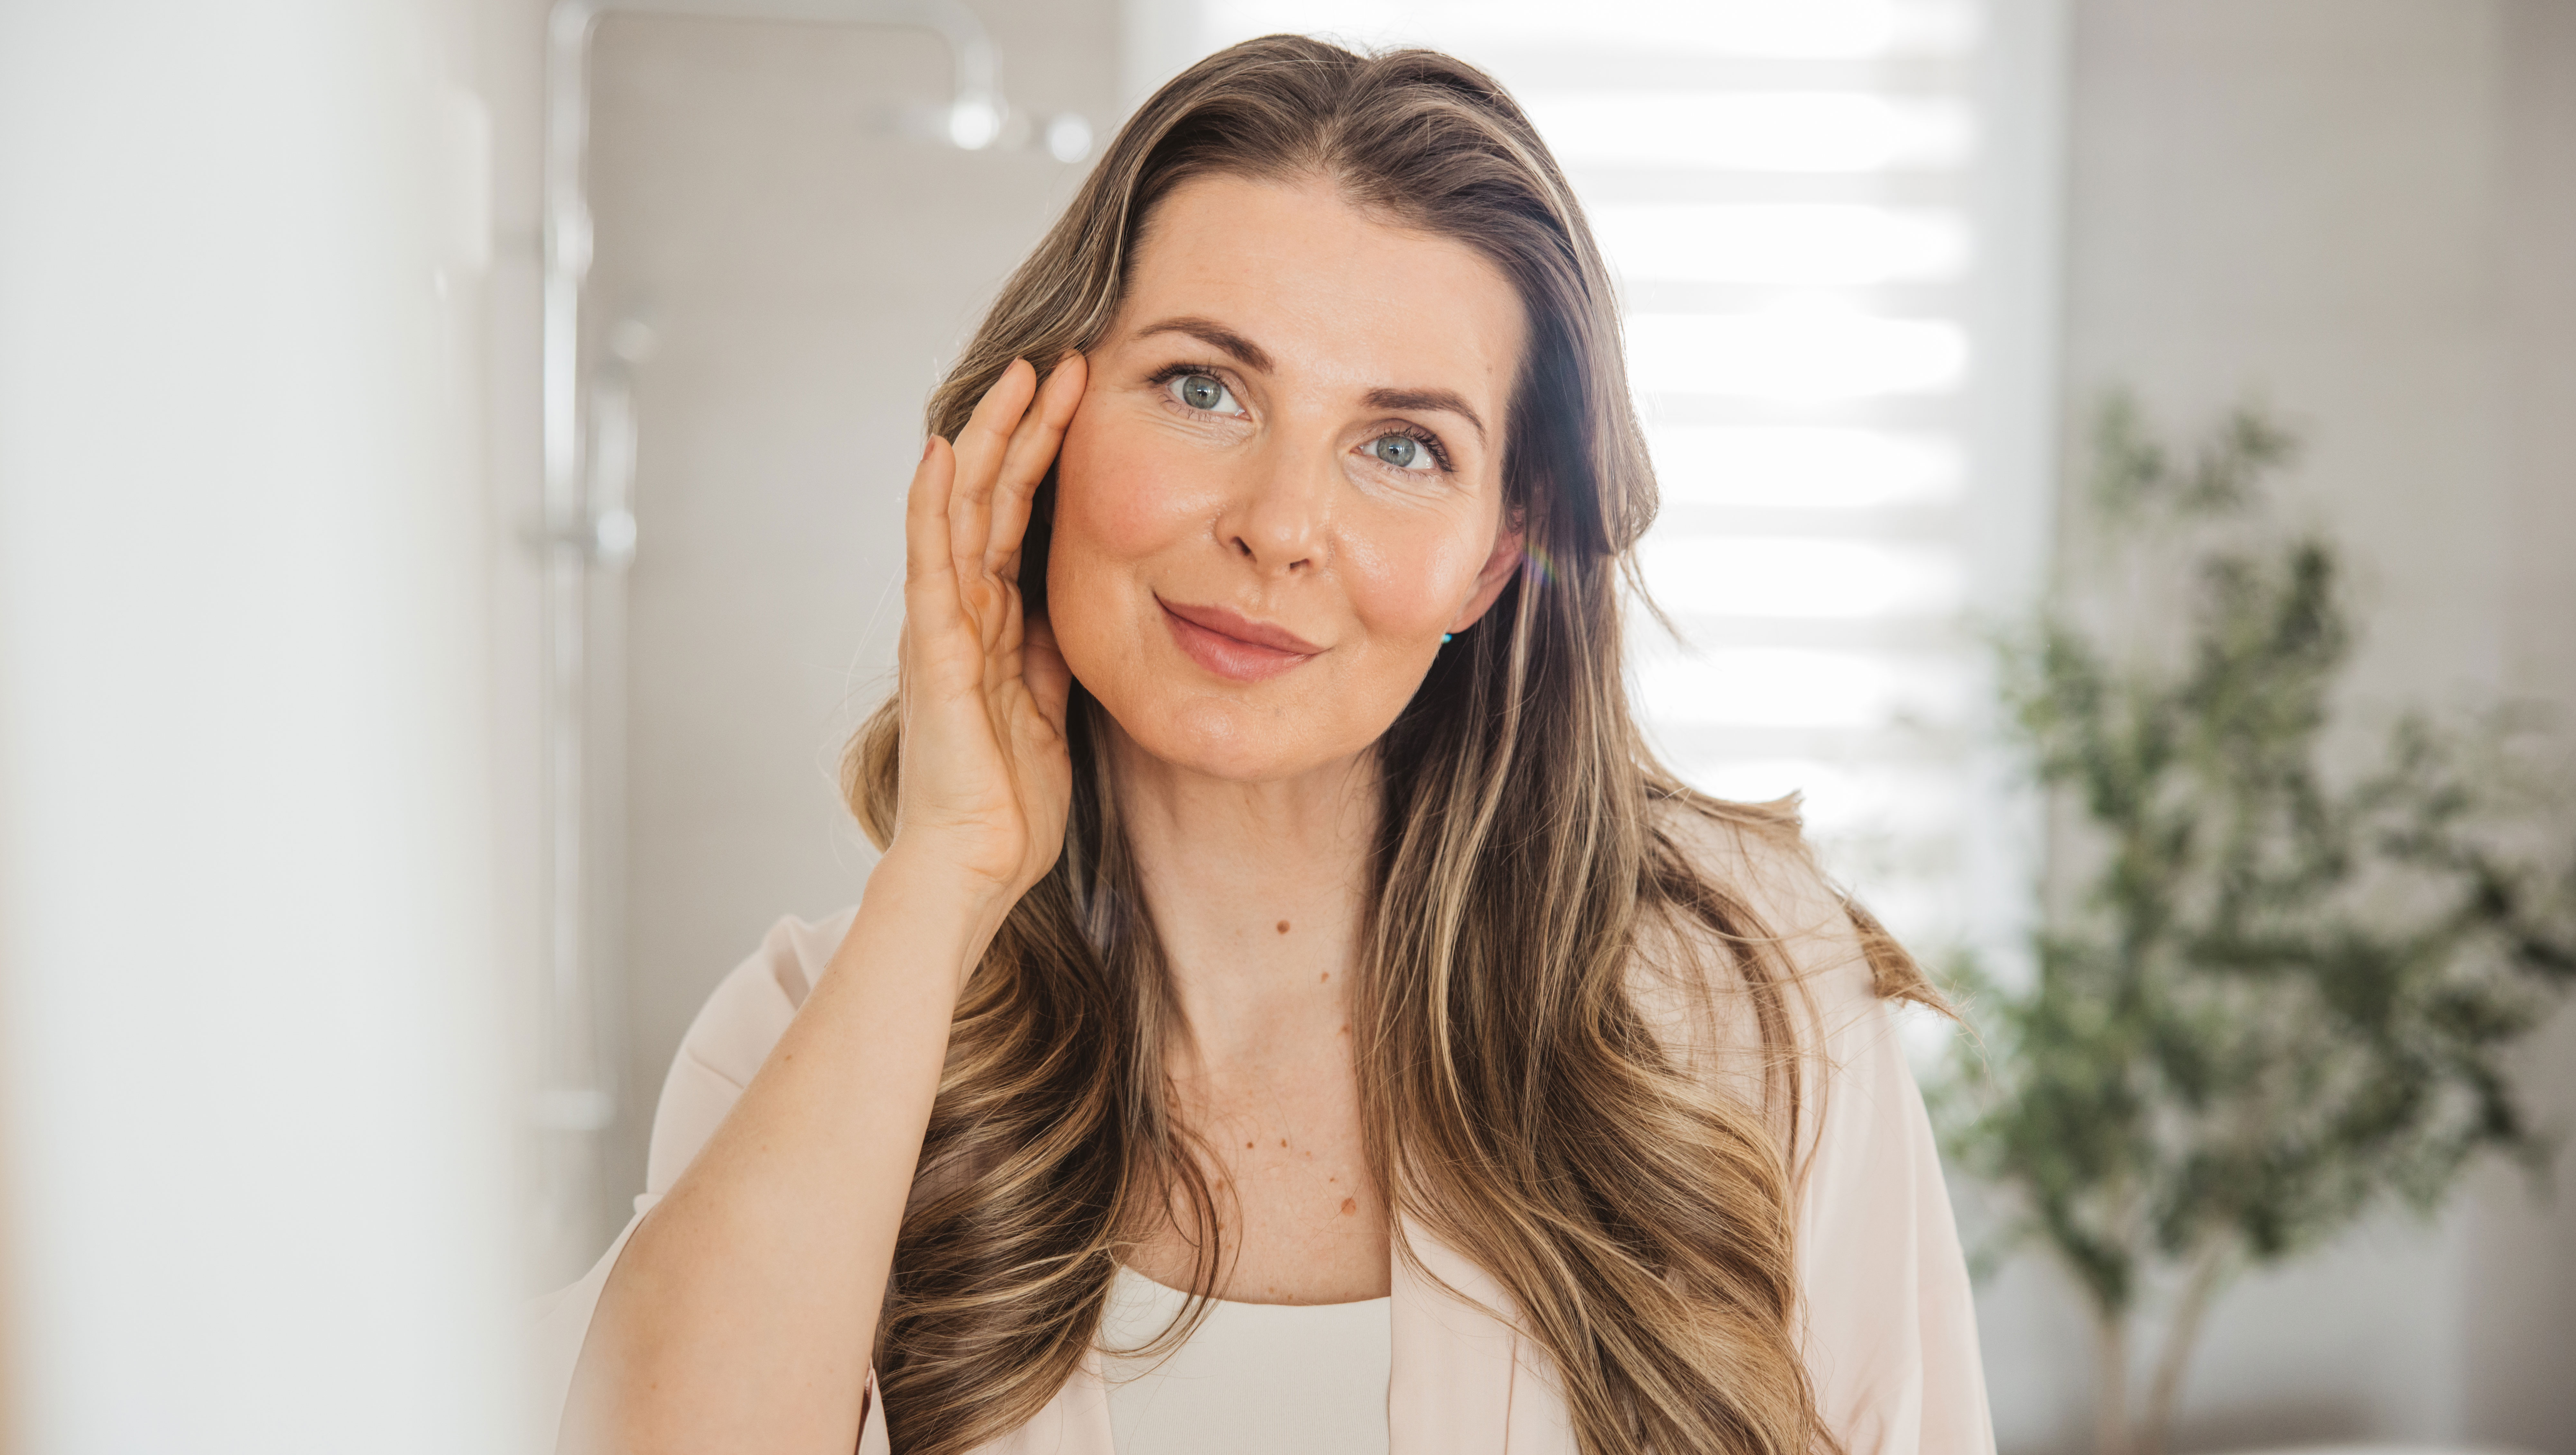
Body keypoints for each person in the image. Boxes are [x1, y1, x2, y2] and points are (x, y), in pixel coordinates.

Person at [535, 33, 1992, 1455]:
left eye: (1403, 445)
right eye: (1203, 388)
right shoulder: (819, 1038)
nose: (1280, 526)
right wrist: (947, 873)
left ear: (1497, 558)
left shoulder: (1747, 1012)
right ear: (1037, 426)